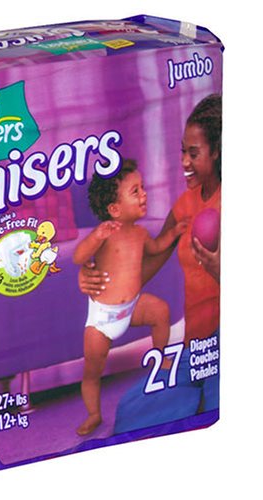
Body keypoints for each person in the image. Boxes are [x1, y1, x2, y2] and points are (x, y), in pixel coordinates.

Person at [78, 94, 222, 432]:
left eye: (194, 153)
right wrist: (95, 280)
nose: (184, 161)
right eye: (182, 151)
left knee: (219, 405)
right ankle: (198, 400)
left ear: (217, 152)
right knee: (130, 413)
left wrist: (220, 270)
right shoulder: (185, 205)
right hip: (195, 348)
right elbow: (143, 268)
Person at [74, 160, 187, 436]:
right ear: (114, 209)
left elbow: (156, 248)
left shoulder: (140, 233)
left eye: (143, 188)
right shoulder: (105, 234)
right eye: (135, 191)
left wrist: (173, 232)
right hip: (102, 318)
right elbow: (78, 257)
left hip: (132, 307)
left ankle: (160, 356)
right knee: (92, 371)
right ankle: (94, 414)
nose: (144, 194)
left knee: (160, 311)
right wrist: (95, 237)